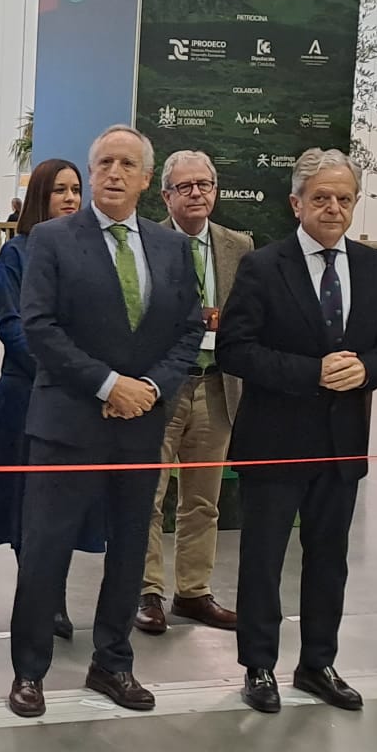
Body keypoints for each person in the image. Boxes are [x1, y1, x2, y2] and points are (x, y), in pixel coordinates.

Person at [5, 125, 204, 718]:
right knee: (46, 550)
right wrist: (108, 384)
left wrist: (151, 388)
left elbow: (189, 329)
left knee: (129, 549)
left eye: (127, 164)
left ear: (147, 179)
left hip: (140, 423)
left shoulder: (171, 249)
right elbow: (39, 325)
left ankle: (113, 662)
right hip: (67, 423)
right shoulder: (52, 239)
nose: (114, 173)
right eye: (104, 163)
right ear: (92, 173)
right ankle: (29, 671)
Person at [219, 150, 377, 713]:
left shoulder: (375, 269)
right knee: (263, 560)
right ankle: (258, 665)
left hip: (341, 443)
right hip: (275, 440)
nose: (333, 208)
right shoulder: (263, 266)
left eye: (344, 199)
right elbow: (236, 349)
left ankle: (318, 662)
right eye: (321, 198)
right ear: (296, 203)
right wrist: (311, 372)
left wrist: (368, 369)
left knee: (329, 559)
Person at [0, 157, 103, 636]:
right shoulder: (16, 255)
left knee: (65, 503)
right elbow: (13, 327)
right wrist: (67, 371)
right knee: (26, 504)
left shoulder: (89, 253)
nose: (70, 198)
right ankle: (37, 598)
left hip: (77, 399)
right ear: (40, 197)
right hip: (27, 397)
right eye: (59, 190)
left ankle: (55, 593)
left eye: (75, 189)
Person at [135, 150, 253, 636]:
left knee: (204, 500)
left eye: (204, 184)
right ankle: (147, 591)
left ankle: (193, 591)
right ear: (166, 196)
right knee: (148, 495)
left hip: (217, 386)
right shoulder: (148, 242)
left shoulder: (238, 245)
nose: (196, 194)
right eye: (184, 187)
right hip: (163, 387)